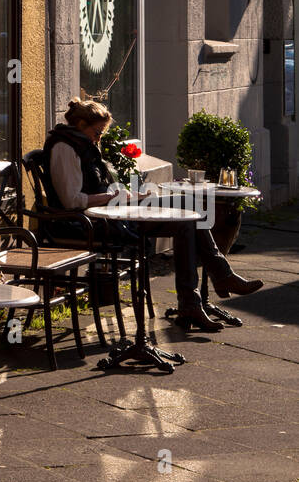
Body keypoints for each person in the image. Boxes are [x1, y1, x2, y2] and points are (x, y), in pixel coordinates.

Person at [42, 98, 263, 332]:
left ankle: (199, 296)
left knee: (187, 206)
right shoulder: (64, 148)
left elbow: (97, 188)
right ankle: (211, 285)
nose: (98, 139)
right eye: (97, 133)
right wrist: (112, 197)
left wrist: (126, 194)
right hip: (92, 222)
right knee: (185, 219)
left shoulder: (81, 144)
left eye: (101, 134)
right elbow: (72, 201)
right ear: (80, 124)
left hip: (114, 209)